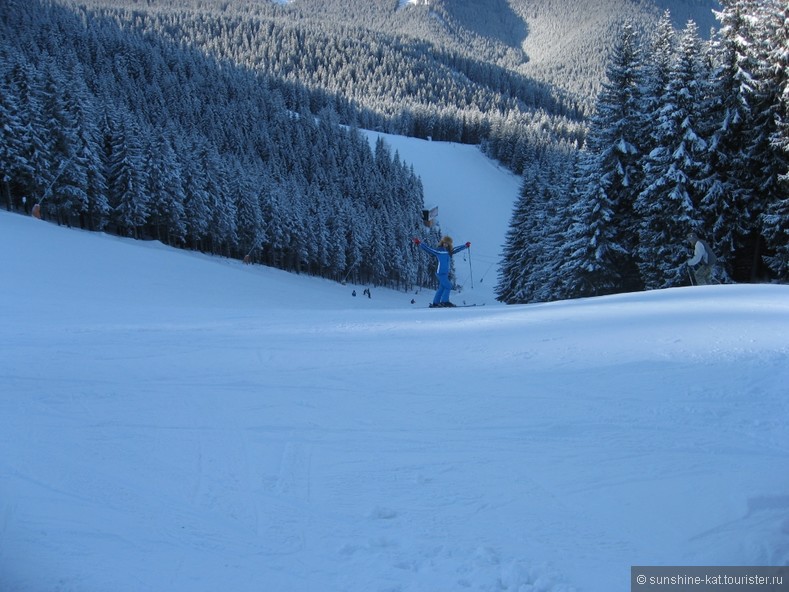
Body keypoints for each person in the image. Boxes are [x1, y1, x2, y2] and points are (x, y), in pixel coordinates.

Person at [413, 235, 470, 307]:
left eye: (447, 243)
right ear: (442, 243)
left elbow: (457, 249)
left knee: (442, 288)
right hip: (440, 272)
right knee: (448, 286)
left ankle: (436, 303)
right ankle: (445, 302)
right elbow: (428, 249)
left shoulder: (449, 252)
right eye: (444, 243)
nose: (445, 244)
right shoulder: (438, 251)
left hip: (445, 273)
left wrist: (465, 246)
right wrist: (419, 243)